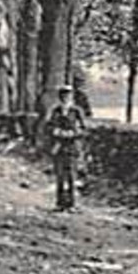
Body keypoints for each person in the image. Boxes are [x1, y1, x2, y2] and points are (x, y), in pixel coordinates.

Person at [44, 84, 86, 212]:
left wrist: (73, 134)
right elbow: (48, 127)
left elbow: (83, 128)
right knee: (60, 176)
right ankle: (60, 203)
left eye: (68, 95)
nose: (65, 97)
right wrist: (56, 132)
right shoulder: (56, 111)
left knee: (72, 176)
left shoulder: (77, 111)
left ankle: (72, 204)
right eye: (63, 95)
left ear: (72, 96)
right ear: (60, 97)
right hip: (59, 147)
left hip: (72, 147)